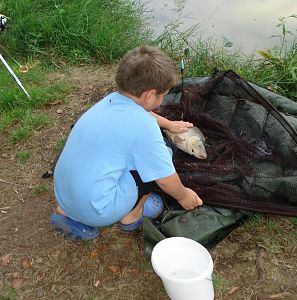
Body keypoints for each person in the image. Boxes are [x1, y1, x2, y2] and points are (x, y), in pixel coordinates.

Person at [50, 45, 203, 240]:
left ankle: (67, 213)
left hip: (63, 194)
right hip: (99, 209)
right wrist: (183, 196)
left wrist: (169, 125)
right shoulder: (144, 127)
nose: (163, 99)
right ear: (150, 95)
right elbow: (165, 178)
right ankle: (132, 215)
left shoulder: (110, 101)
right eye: (163, 95)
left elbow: (143, 112)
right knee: (161, 157)